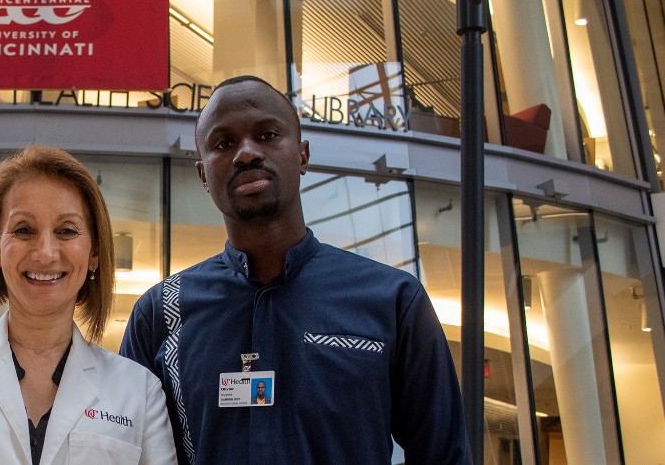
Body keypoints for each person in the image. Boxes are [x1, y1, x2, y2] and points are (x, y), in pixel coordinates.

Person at [119, 76, 470, 464]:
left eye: (267, 135)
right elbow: (126, 453)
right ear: (203, 175)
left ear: (302, 155)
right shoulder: (161, 314)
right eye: (224, 143)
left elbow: (443, 455)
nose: (246, 153)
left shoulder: (392, 301)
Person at [0, 146, 177, 465]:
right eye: (24, 230)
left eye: (67, 231)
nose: (46, 252)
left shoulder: (140, 391)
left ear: (93, 254)